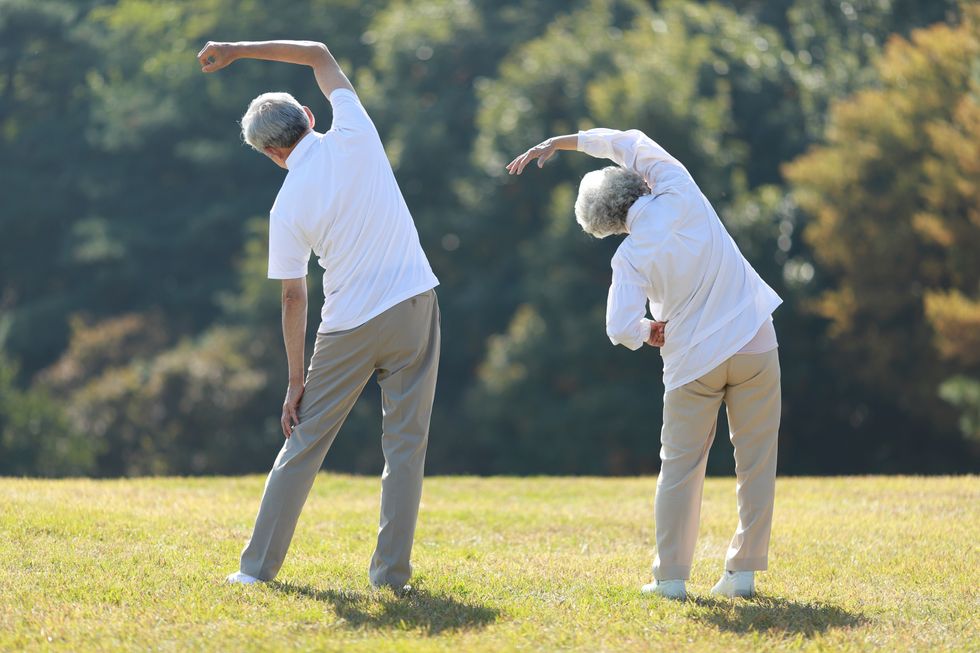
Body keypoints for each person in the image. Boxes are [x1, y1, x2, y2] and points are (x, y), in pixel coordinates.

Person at [197, 39, 440, 593]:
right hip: (415, 305)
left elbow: (293, 299)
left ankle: (255, 571)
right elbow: (317, 53)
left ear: (271, 155)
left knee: (302, 445)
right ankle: (391, 579)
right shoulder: (356, 129)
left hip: (348, 324)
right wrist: (237, 49)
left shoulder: (286, 206)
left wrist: (295, 381)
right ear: (309, 116)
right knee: (406, 447)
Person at [507, 128, 782, 601]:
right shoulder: (678, 187)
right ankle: (743, 574)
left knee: (680, 469)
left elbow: (619, 327)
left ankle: (671, 579)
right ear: (637, 183)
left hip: (692, 362)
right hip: (754, 338)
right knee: (756, 462)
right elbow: (626, 140)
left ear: (608, 225)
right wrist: (559, 142)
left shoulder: (629, 257)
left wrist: (646, 332)